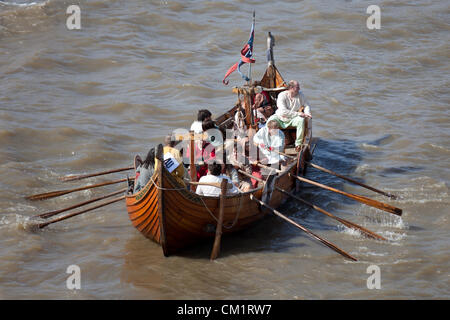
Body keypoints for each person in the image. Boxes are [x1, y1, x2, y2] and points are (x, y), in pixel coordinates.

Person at [267, 80, 312, 151]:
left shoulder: (301, 95)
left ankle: (298, 144)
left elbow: (307, 105)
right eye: (297, 87)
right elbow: (283, 111)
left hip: (292, 119)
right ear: (291, 88)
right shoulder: (282, 95)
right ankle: (269, 143)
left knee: (301, 120)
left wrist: (307, 113)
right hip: (280, 118)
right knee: (270, 121)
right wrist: (298, 113)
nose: (299, 89)